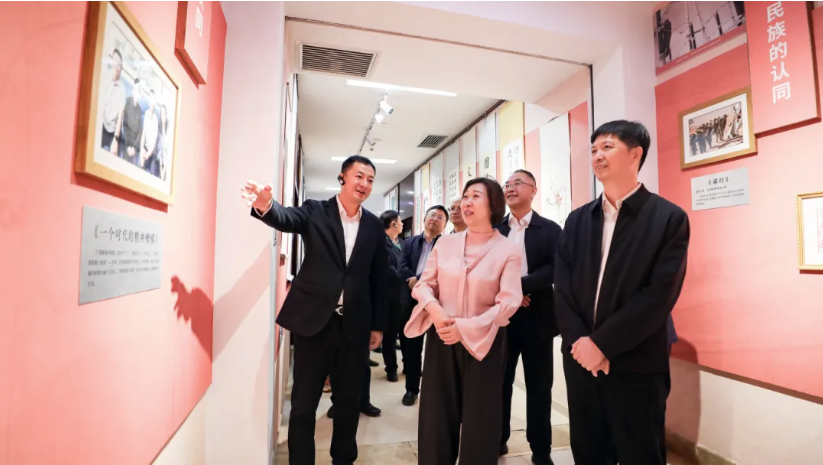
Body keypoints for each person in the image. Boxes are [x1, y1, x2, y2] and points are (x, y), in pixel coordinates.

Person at [554, 120, 690, 465]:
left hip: (636, 359)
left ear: (635, 154)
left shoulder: (668, 218)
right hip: (580, 359)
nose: (597, 155)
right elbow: (563, 288)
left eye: (608, 147)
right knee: (589, 450)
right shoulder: (577, 220)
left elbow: (658, 296)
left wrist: (601, 344)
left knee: (639, 450)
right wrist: (580, 342)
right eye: (593, 149)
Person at [241, 155, 387, 465]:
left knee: (348, 402)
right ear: (342, 177)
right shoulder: (316, 210)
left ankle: (343, 459)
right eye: (359, 176)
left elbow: (379, 277)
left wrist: (378, 324)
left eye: (370, 180)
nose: (364, 184)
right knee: (304, 405)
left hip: (354, 326)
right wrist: (266, 205)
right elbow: (286, 218)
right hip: (313, 323)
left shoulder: (374, 225)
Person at [405, 178, 523, 465]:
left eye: (476, 196)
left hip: (485, 340)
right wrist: (435, 311)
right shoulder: (446, 243)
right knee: (436, 415)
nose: (466, 202)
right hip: (442, 335)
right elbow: (424, 284)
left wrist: (466, 328)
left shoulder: (508, 249)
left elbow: (509, 301)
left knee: (481, 419)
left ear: (493, 205)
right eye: (465, 196)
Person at [496, 170, 562, 465]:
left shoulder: (550, 229)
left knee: (539, 387)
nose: (510, 188)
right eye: (507, 184)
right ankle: (498, 438)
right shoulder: (496, 229)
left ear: (533, 190)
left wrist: (518, 287)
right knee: (500, 382)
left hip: (538, 316)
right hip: (502, 318)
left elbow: (555, 268)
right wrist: (510, 292)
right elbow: (486, 268)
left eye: (517, 184)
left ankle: (541, 449)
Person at [397, 205, 448, 406]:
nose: (435, 219)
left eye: (440, 217)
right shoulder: (409, 242)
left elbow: (444, 271)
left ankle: (438, 391)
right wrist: (414, 282)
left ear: (445, 224)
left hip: (438, 302)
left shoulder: (447, 245)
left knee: (439, 349)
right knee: (411, 348)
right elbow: (401, 266)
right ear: (425, 218)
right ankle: (411, 389)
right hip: (410, 301)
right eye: (432, 215)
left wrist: (418, 281)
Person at [380, 210, 405, 382]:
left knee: (406, 333)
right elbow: (388, 270)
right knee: (389, 336)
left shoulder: (401, 243)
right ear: (394, 224)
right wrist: (407, 278)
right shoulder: (381, 243)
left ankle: (408, 364)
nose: (402, 224)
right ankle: (391, 368)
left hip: (404, 295)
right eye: (400, 221)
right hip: (389, 296)